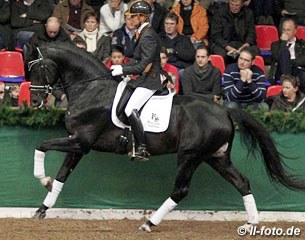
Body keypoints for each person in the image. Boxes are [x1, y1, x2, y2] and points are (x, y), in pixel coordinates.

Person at [110, 0, 163, 161]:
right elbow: (136, 59)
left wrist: (123, 69)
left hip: (149, 81)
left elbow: (143, 66)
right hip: (142, 79)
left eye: (133, 17)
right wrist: (122, 68)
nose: (130, 20)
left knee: (130, 109)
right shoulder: (143, 33)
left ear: (142, 17)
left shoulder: (148, 36)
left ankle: (141, 147)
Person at [159, 12, 195, 91]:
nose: (169, 26)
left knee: (184, 73)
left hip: (181, 69)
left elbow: (191, 56)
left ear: (177, 25)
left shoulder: (185, 39)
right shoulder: (158, 38)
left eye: (172, 24)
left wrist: (175, 52)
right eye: (167, 23)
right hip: (163, 68)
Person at [270, 18, 305, 92]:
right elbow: (277, 58)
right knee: (284, 52)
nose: (286, 32)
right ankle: (288, 81)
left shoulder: (303, 45)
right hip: (281, 72)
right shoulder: (275, 45)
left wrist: (289, 62)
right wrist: (283, 43)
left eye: (288, 30)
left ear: (295, 31)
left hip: (297, 70)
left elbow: (302, 61)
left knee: (302, 75)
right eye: (284, 30)